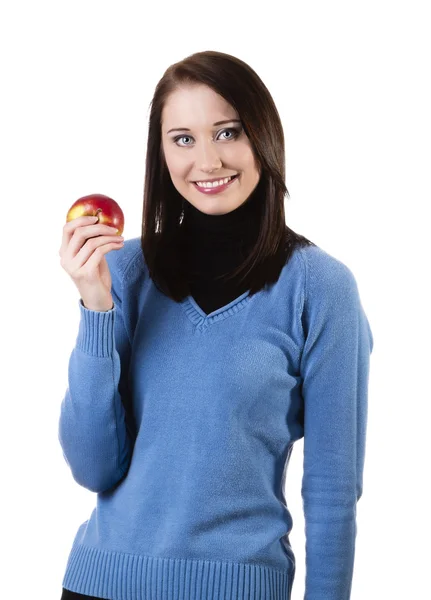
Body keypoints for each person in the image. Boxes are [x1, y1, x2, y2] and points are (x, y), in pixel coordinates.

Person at [58, 50, 374, 600]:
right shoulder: (123, 273)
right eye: (183, 138)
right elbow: (93, 467)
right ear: (160, 153)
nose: (206, 161)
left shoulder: (320, 288)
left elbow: (331, 491)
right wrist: (96, 309)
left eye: (227, 132)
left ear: (263, 138)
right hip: (97, 584)